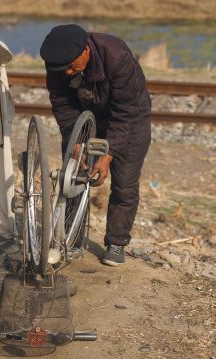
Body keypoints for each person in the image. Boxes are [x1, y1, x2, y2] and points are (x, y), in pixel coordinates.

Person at [40, 24, 152, 267]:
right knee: (73, 177)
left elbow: (125, 112)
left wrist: (108, 155)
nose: (68, 72)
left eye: (71, 66)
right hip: (83, 116)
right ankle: (71, 238)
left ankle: (116, 242)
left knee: (124, 184)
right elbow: (62, 105)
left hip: (130, 118)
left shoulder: (116, 56)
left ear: (86, 51)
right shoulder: (58, 64)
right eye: (63, 69)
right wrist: (75, 141)